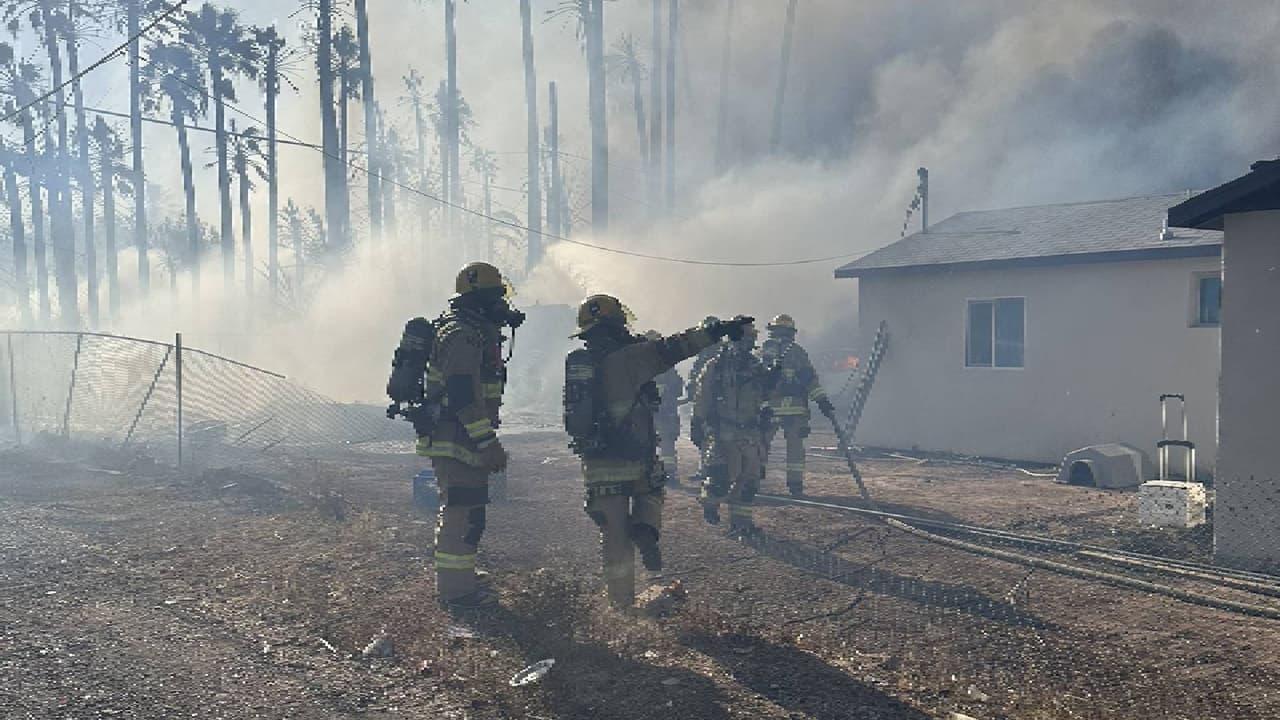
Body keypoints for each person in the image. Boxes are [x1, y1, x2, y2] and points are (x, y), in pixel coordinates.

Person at [564, 296, 752, 608]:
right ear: (617, 324)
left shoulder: (578, 361)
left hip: (598, 461)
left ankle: (621, 603)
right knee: (651, 493)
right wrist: (719, 329)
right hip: (635, 457)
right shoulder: (634, 357)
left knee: (613, 535)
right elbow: (676, 346)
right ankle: (646, 527)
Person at [413, 262, 525, 610]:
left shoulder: (475, 333)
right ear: (478, 299)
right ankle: (456, 593)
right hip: (456, 439)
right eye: (495, 297)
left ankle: (462, 579)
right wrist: (487, 442)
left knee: (470, 512)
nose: (502, 305)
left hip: (464, 439)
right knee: (460, 512)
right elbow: (462, 394)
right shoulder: (462, 334)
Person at [691, 318, 775, 534]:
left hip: (751, 432)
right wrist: (698, 421)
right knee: (722, 477)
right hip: (724, 432)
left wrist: (772, 382)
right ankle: (709, 502)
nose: (748, 344)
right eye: (745, 338)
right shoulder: (716, 366)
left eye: (751, 339)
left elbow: (764, 396)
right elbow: (703, 396)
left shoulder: (757, 366)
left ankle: (742, 524)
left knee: (750, 479)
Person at [760, 314, 833, 497]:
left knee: (760, 445)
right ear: (792, 332)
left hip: (768, 409)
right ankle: (795, 486)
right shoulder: (797, 352)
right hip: (795, 410)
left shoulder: (762, 352)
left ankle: (754, 481)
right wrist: (822, 401)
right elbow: (810, 379)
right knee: (795, 449)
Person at [645, 330, 685, 487]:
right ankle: (669, 474)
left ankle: (654, 474)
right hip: (665, 412)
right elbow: (678, 388)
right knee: (667, 443)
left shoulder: (641, 365)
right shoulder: (667, 365)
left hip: (652, 412)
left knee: (651, 443)